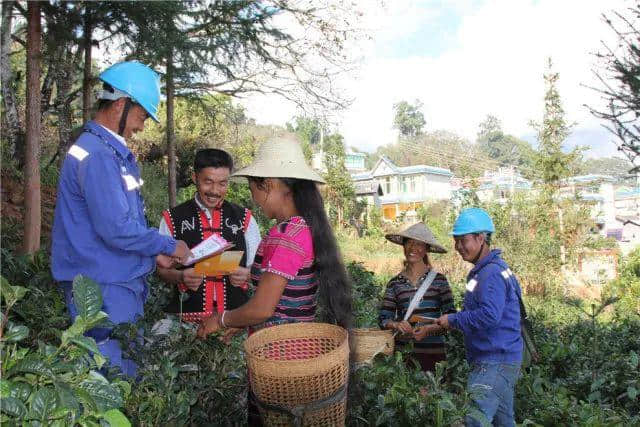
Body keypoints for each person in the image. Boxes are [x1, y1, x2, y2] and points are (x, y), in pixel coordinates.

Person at [196, 135, 352, 424]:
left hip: (280, 364)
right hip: (294, 355)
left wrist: (221, 320)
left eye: (254, 189)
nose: (253, 200)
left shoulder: (288, 236)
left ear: (267, 185)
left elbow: (264, 308)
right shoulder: (300, 228)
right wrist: (240, 321)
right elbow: (283, 298)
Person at [51, 61, 190, 378]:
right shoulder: (99, 155)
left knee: (118, 373)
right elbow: (116, 228)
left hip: (111, 282)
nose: (141, 126)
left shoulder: (104, 151)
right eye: (141, 115)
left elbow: (114, 223)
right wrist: (170, 244)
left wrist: (155, 254)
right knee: (112, 380)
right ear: (120, 104)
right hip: (106, 287)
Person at [435, 208, 522, 427]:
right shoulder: (491, 269)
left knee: (474, 420)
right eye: (456, 241)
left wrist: (454, 320)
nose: (458, 247)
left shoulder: (490, 273)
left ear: (481, 238)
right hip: (503, 359)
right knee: (504, 421)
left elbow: (489, 315)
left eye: (463, 241)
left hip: (494, 361)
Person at [157, 148, 261, 323]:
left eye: (222, 183)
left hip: (233, 323)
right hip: (184, 322)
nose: (215, 190)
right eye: (208, 182)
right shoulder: (172, 218)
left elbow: (259, 270)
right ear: (194, 178)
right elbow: (161, 271)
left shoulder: (245, 219)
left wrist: (247, 274)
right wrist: (181, 277)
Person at [379, 223, 456, 372]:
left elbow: (451, 318)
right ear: (403, 245)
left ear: (426, 249)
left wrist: (428, 329)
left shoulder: (439, 281)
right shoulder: (395, 283)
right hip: (404, 357)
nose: (413, 248)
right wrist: (397, 325)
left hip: (434, 359)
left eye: (419, 244)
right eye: (409, 242)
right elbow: (383, 319)